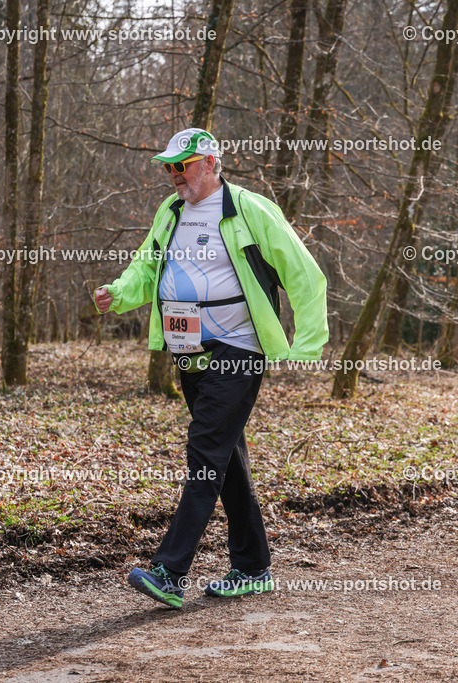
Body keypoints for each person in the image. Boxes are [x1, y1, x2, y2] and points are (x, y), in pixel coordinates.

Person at [93, 128, 328, 608]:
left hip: (239, 349)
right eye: (168, 167)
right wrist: (118, 293)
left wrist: (307, 344)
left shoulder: (249, 209)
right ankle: (252, 567)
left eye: (182, 166)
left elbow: (304, 274)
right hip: (189, 352)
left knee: (204, 450)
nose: (174, 175)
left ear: (210, 162)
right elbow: (147, 266)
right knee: (227, 460)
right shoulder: (171, 211)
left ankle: (170, 570)